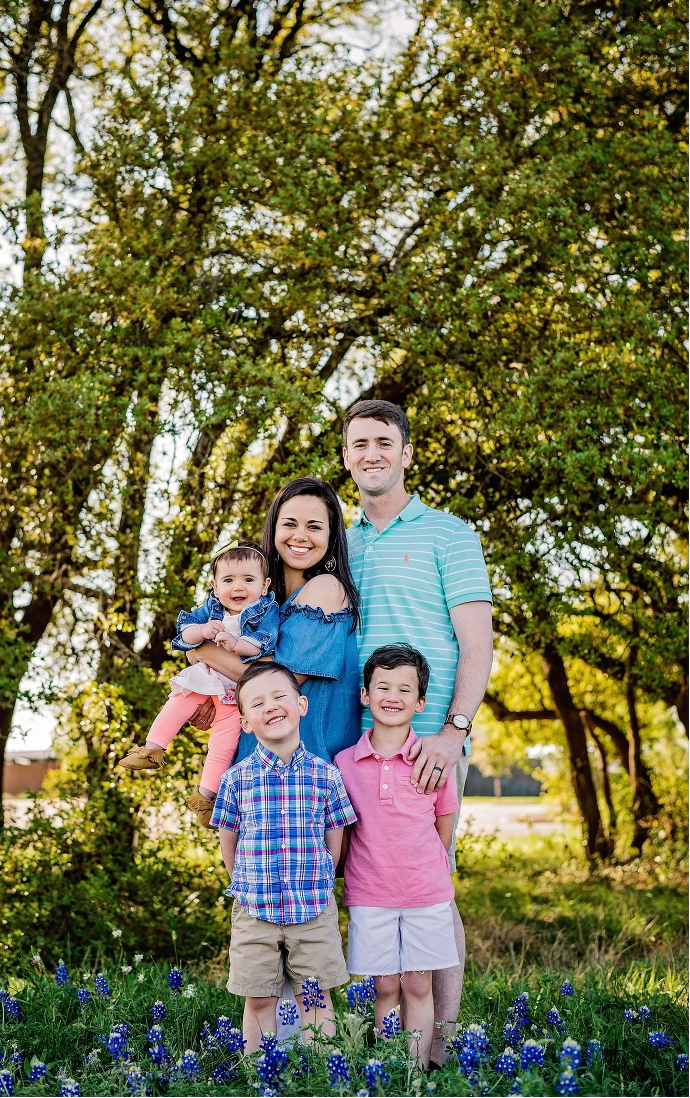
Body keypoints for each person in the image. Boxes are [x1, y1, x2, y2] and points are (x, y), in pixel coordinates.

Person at [342, 399, 493, 1047]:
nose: (371, 453)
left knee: (433, 891)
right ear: (346, 458)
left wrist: (454, 729)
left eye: (384, 442)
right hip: (355, 747)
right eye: (358, 445)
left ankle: (443, 1042)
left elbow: (478, 643)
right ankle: (383, 1040)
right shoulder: (339, 544)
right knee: (366, 884)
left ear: (406, 453)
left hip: (430, 744)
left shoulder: (450, 534)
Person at [210, 660, 357, 1052]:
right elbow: (229, 838)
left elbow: (335, 837)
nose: (270, 706)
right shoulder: (235, 779)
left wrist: (323, 877)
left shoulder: (326, 776)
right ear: (244, 723)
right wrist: (240, 884)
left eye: (279, 696)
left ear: (301, 705)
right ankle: (260, 1072)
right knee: (258, 997)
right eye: (256, 703)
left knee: (315, 997)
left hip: (312, 906)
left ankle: (321, 1072)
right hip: (254, 907)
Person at [335, 644, 460, 1070]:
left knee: (418, 985)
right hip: (370, 893)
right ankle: (388, 1070)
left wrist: (427, 865)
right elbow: (346, 831)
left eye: (405, 689)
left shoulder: (432, 759)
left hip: (426, 891)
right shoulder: (344, 763)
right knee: (384, 987)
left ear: (420, 702)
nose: (393, 695)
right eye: (382, 686)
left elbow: (444, 822)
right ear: (366, 695)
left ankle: (416, 1071)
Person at [186, 477, 363, 767]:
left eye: (315, 527)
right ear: (275, 528)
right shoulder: (254, 595)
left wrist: (201, 651)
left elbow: (283, 683)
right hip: (251, 758)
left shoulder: (326, 589)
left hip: (304, 765)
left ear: (331, 536)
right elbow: (194, 629)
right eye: (290, 524)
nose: (301, 536)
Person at [118, 542, 279, 825]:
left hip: (234, 692)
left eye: (248, 580)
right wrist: (202, 630)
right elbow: (185, 634)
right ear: (215, 587)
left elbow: (263, 644)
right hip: (205, 680)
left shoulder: (267, 610)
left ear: (265, 585)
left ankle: (205, 799)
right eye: (228, 580)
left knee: (224, 743)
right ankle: (152, 748)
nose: (238, 588)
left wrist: (237, 643)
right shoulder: (212, 608)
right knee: (178, 703)